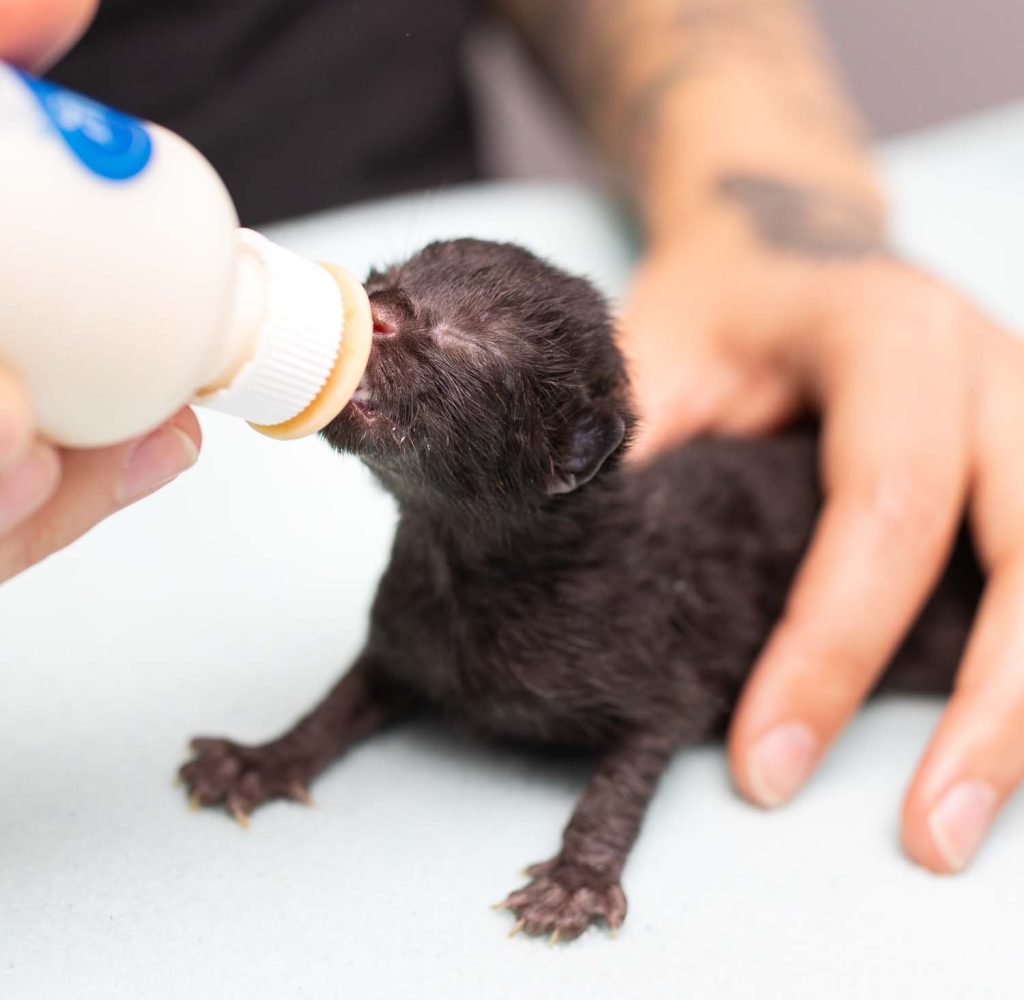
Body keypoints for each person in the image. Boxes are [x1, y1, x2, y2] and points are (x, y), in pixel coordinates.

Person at [4, 0, 1023, 877]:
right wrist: (281, 758)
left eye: (460, 344)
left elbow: (646, 715)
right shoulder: (427, 570)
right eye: (395, 287)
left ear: (563, 459)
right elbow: (394, 664)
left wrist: (587, 864)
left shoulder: (591, 630)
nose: (381, 317)